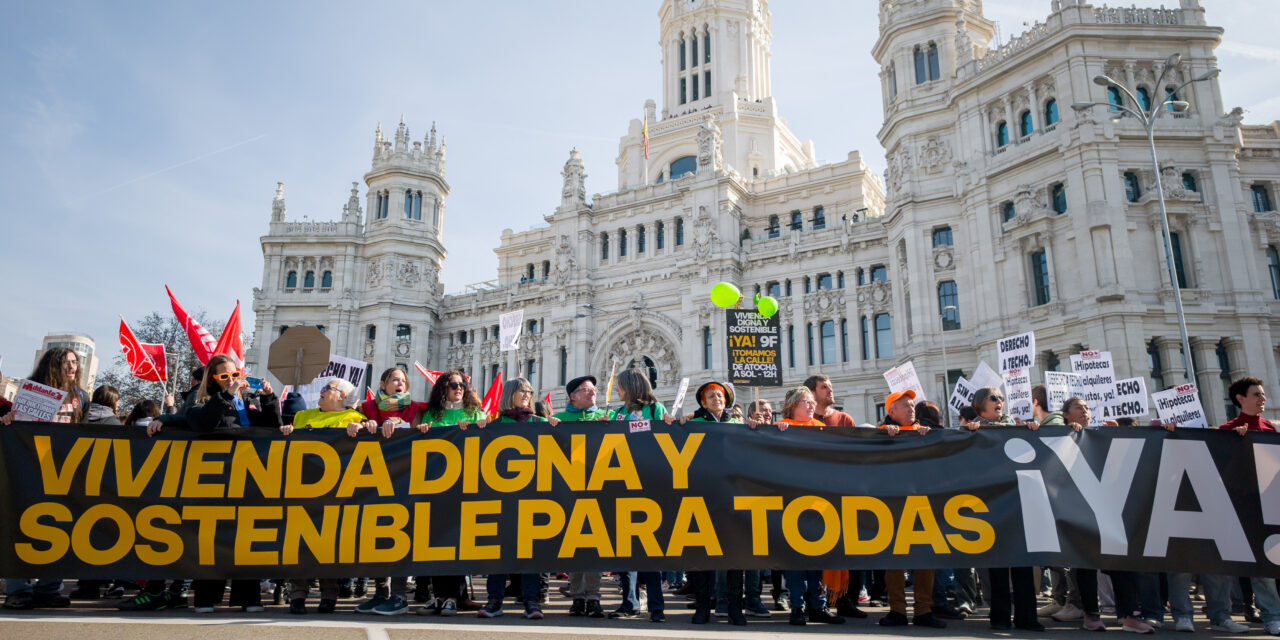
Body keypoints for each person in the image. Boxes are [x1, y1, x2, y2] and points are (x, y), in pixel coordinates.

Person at [187, 354, 278, 612]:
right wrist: (226, 396)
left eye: (234, 375)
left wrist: (269, 399)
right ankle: (206, 597)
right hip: (216, 477)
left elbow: (272, 427)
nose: (231, 380)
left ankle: (249, 597)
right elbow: (203, 424)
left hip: (249, 477)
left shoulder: (248, 400)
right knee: (212, 539)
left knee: (247, 540)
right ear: (213, 379)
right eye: (224, 376)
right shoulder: (201, 400)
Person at [1, 348, 85, 609]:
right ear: (52, 365)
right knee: (22, 526)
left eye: (75, 362)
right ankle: (18, 589)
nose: (72, 367)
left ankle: (48, 588)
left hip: (62, 472)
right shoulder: (33, 391)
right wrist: (8, 421)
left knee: (58, 528)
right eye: (66, 362)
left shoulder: (80, 396)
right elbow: (18, 425)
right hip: (28, 468)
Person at [279, 378, 367, 615]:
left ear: (341, 396)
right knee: (299, 542)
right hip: (303, 487)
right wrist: (287, 431)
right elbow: (286, 439)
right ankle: (297, 593)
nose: (323, 390)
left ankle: (329, 595)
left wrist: (360, 429)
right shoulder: (302, 417)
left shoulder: (353, 419)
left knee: (328, 545)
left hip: (335, 490)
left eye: (328, 388)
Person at [404, 369, 485, 618]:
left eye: (462, 384)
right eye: (452, 385)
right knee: (438, 544)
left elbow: (486, 438)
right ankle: (442, 595)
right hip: (436, 488)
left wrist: (479, 426)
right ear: (443, 388)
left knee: (457, 544)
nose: (458, 388)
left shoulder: (474, 412)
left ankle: (453, 596)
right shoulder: (432, 414)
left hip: (464, 487)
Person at [966, 386, 1043, 630]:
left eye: (1001, 397)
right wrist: (969, 436)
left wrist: (1032, 431)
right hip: (991, 505)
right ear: (980, 404)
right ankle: (999, 618)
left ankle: (1027, 618)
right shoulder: (972, 431)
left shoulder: (1018, 427)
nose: (1000, 401)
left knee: (1023, 563)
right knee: (997, 565)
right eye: (993, 398)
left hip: (1019, 503)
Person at [479, 377, 556, 621]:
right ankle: (494, 600)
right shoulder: (494, 423)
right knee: (499, 553)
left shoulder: (540, 422)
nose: (527, 394)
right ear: (510, 393)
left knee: (531, 553)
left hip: (533, 497)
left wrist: (558, 425)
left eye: (530, 391)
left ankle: (532, 601)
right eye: (522, 390)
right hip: (501, 498)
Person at [774, 385, 845, 626]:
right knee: (795, 561)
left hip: (818, 505)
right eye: (807, 402)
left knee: (818, 559)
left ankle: (818, 605)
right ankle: (797, 607)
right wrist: (771, 432)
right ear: (794, 405)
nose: (812, 405)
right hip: (791, 503)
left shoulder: (823, 430)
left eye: (812, 402)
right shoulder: (780, 429)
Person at [876, 390, 945, 628]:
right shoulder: (878, 434)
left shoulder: (924, 432)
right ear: (891, 411)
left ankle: (923, 610)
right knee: (894, 560)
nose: (911, 408)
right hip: (892, 505)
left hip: (922, 503)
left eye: (912, 404)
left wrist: (928, 437)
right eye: (905, 405)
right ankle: (897, 610)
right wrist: (884, 438)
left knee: (925, 558)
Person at [683, 381, 742, 626]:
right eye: (711, 396)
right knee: (701, 556)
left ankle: (735, 609)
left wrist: (757, 427)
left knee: (736, 557)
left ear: (727, 400)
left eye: (720, 395)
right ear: (703, 402)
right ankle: (702, 607)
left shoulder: (738, 425)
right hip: (702, 498)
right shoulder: (692, 425)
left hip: (731, 499)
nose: (716, 398)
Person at [552, 375, 607, 619]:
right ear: (573, 396)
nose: (592, 393)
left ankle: (593, 597)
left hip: (599, 492)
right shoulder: (559, 421)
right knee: (574, 548)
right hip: (569, 493)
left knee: (595, 548)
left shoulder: (605, 418)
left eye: (593, 389)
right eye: (586, 390)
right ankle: (577, 597)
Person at [360, 367, 428, 439]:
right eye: (395, 380)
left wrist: (421, 428)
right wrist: (360, 426)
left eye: (404, 381)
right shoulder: (367, 408)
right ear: (383, 385)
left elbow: (415, 436)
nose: (401, 383)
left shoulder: (414, 408)